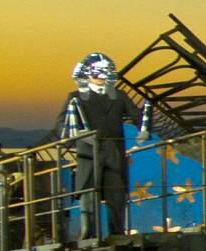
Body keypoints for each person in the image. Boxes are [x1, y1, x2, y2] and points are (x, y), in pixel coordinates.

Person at [57, 51, 148, 237]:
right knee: (89, 192)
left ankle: (117, 231)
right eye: (97, 71)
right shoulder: (76, 97)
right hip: (88, 154)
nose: (101, 76)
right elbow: (62, 125)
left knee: (116, 193)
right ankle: (88, 231)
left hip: (114, 153)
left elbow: (138, 117)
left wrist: (144, 126)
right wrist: (80, 135)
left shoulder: (119, 97)